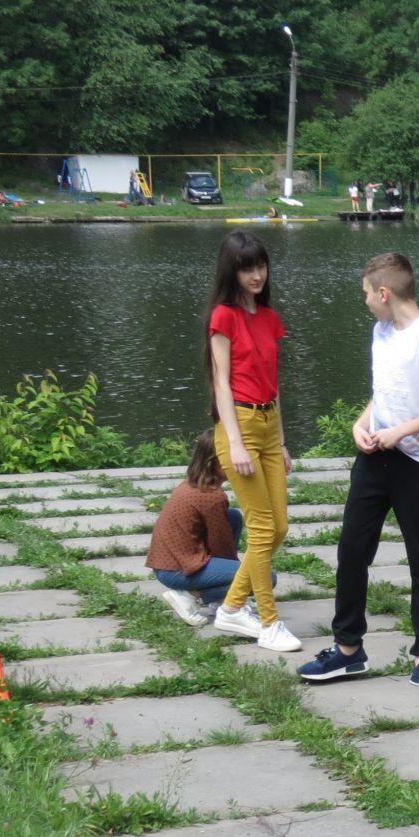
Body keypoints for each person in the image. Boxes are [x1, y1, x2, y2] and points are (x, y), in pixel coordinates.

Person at [297, 252, 419, 694]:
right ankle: (348, 649)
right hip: (373, 461)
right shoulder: (381, 330)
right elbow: (384, 393)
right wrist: (362, 423)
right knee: (352, 551)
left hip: (416, 466)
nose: (367, 302)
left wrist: (401, 433)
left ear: (385, 293)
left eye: (368, 295)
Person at [204, 229, 299, 652]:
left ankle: (229, 609)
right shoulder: (223, 316)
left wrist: (279, 442)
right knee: (261, 529)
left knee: (278, 528)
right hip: (237, 424)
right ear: (232, 271)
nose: (256, 275)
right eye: (247, 268)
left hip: (268, 422)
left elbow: (272, 383)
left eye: (260, 266)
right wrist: (237, 444)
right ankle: (269, 623)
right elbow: (222, 383)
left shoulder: (268, 316)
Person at [147, 431, 263, 624]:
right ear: (214, 462)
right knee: (263, 576)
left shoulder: (194, 484)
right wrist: (237, 581)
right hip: (178, 571)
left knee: (232, 517)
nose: (239, 461)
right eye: (232, 457)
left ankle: (218, 598)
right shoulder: (211, 496)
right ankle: (189, 596)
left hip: (168, 564)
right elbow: (221, 547)